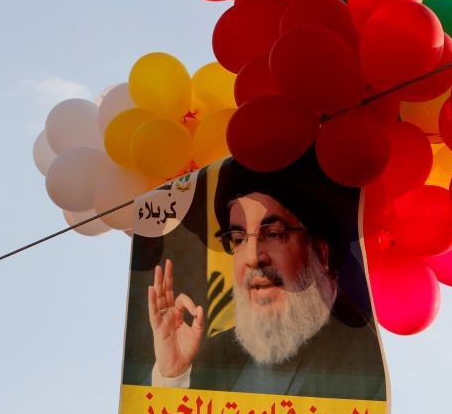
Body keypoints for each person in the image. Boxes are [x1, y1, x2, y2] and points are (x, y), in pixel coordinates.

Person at [146, 153, 386, 401]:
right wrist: (174, 374)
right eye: (238, 239)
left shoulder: (362, 362)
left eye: (273, 234)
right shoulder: (217, 355)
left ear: (321, 253)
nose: (252, 257)